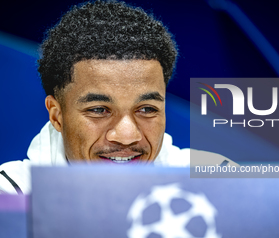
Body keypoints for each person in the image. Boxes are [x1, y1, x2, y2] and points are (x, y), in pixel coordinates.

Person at [0, 0, 237, 194]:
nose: (127, 137)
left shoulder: (216, 181)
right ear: (57, 115)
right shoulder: (9, 197)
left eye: (146, 109)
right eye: (99, 110)